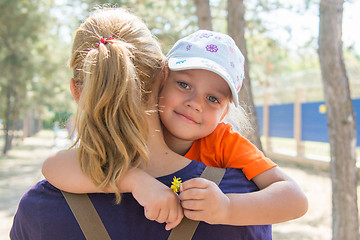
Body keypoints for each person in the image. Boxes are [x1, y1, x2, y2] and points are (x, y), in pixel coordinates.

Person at [10, 7, 276, 239]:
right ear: (164, 75)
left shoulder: (40, 208)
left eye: (212, 99)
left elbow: (51, 166)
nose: (196, 104)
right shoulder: (241, 202)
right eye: (185, 85)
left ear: (77, 92)